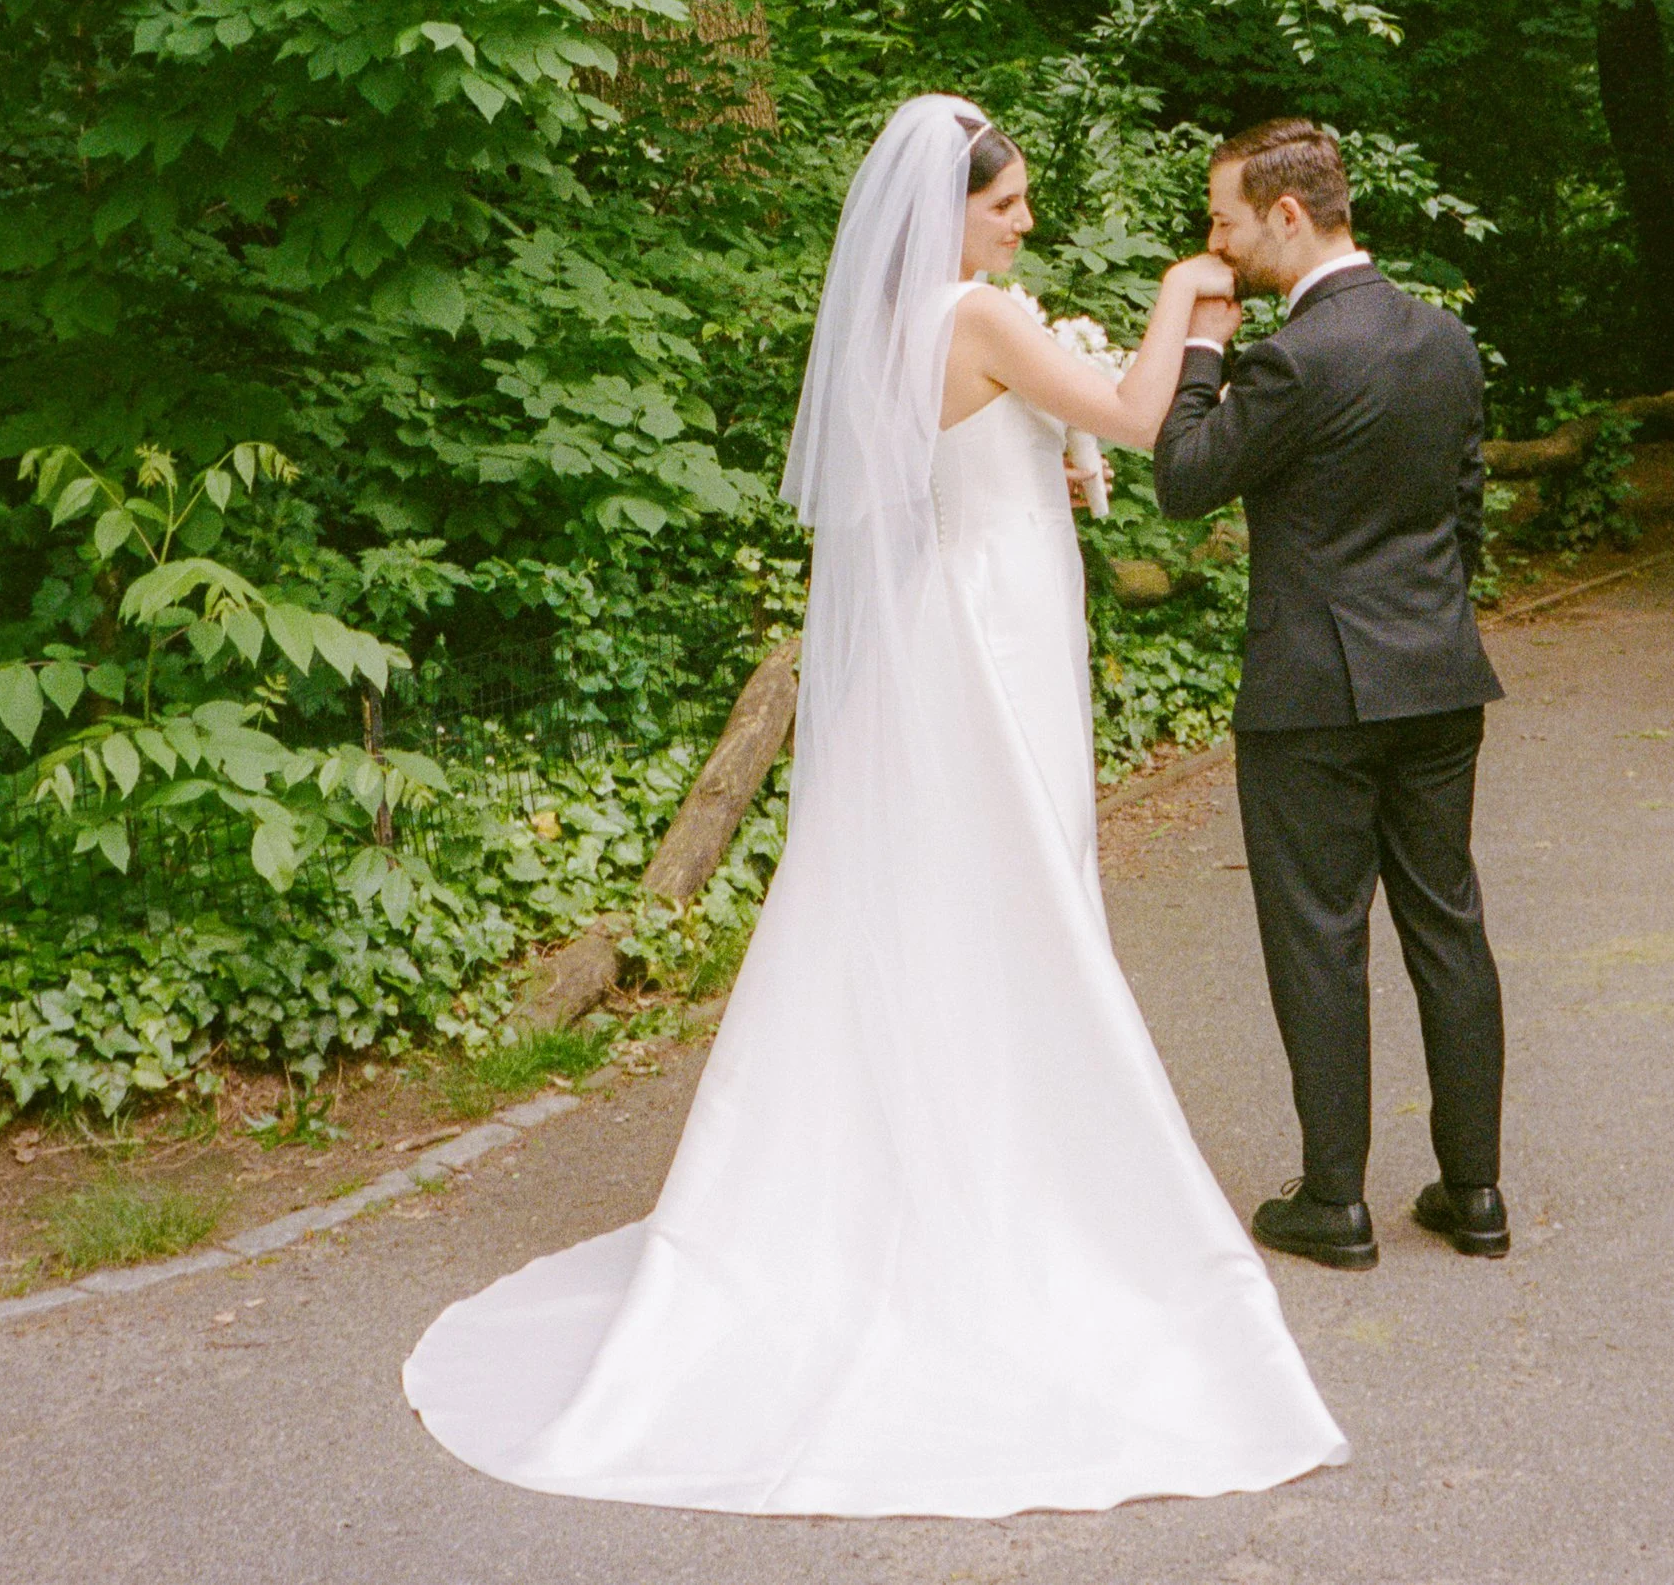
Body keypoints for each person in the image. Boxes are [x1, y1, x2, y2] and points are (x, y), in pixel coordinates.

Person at [404, 93, 1347, 1516]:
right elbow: (1154, 415)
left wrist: (1057, 451)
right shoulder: (976, 316)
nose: (1025, 219)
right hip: (989, 641)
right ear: (946, 213)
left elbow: (985, 458)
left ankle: (942, 1146)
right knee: (1011, 881)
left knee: (954, 888)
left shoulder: (907, 325)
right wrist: (1184, 297)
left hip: (959, 618)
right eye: (1008, 199)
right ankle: (1010, 1183)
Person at [1154, 115, 1510, 1273]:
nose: (1216, 239)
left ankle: (1335, 1202)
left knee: (1318, 939)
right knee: (1446, 923)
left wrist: (1204, 345)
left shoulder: (1294, 355)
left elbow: (1184, 476)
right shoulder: (1444, 338)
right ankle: (1476, 1192)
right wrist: (1428, 625)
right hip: (1437, 673)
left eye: (1225, 218)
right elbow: (1460, 515)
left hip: (1311, 690)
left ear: (1289, 215)